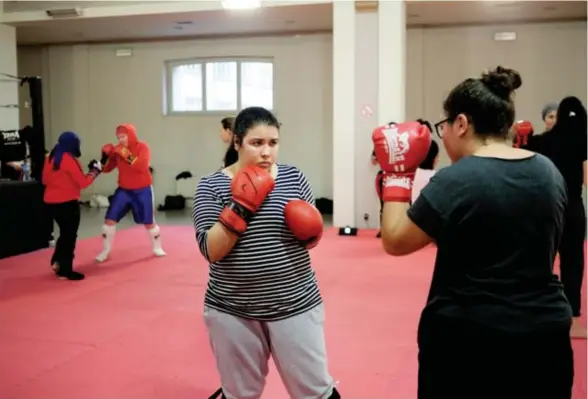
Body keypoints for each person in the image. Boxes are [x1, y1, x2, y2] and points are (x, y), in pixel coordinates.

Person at [372, 66, 574, 399]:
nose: (444, 136)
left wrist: (396, 173)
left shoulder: (457, 179)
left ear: (462, 123)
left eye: (444, 126)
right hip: (545, 335)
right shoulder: (548, 171)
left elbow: (394, 240)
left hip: (467, 339)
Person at [193, 107, 340, 399]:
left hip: (295, 304)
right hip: (232, 310)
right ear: (237, 143)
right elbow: (210, 250)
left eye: (273, 143)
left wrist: (311, 231)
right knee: (239, 394)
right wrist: (241, 206)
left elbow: (309, 239)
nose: (266, 152)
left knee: (316, 391)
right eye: (256, 143)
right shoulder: (211, 186)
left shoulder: (294, 178)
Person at [535, 96, 587, 338]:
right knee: (569, 260)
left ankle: (552, 310)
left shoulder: (544, 142)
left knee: (547, 257)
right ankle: (567, 312)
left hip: (551, 204)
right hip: (568, 205)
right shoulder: (581, 141)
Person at [96, 124, 165, 262]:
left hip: (143, 190)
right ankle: (106, 250)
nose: (121, 139)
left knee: (149, 223)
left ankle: (157, 247)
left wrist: (125, 153)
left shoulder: (142, 147)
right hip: (124, 190)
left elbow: (141, 166)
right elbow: (107, 169)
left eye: (123, 136)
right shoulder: (118, 150)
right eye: (118, 137)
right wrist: (104, 158)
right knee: (109, 220)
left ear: (131, 135)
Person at [42, 131, 102, 280]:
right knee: (69, 236)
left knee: (64, 234)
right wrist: (95, 172)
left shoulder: (50, 157)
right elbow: (83, 182)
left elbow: (44, 180)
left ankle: (57, 262)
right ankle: (66, 270)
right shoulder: (69, 159)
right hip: (67, 203)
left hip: (51, 204)